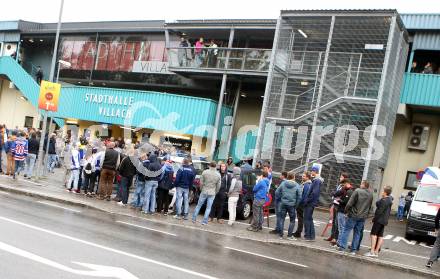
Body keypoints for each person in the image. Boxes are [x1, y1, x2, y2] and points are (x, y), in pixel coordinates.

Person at [337, 180, 373, 255]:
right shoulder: (370, 194)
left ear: (363, 185)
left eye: (361, 184)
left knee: (346, 230)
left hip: (353, 215)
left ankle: (342, 247)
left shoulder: (357, 191)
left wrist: (346, 211)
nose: (360, 185)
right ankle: (353, 250)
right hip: (362, 216)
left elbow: (350, 203)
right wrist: (366, 215)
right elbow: (369, 206)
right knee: (357, 233)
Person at [365, 186, 393, 257]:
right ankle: (376, 252)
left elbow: (379, 211)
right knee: (380, 236)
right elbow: (378, 204)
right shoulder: (389, 199)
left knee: (373, 234)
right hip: (384, 220)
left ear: (385, 192)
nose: (382, 192)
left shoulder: (384, 200)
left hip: (379, 220)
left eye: (383, 191)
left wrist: (373, 219)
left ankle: (372, 252)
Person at [276, 171, 302, 239]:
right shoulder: (297, 185)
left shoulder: (283, 183)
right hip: (292, 205)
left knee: (282, 219)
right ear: (293, 177)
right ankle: (289, 236)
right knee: (292, 220)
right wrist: (296, 205)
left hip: (283, 203)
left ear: (287, 177)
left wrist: (280, 199)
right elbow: (299, 196)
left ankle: (280, 235)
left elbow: (277, 192)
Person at [327, 172, 349, 242]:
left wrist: (334, 194)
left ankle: (336, 238)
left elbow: (337, 194)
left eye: (341, 177)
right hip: (335, 203)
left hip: (338, 205)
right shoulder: (340, 185)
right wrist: (334, 194)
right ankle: (332, 235)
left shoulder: (344, 187)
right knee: (334, 221)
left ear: (345, 178)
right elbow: (335, 193)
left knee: (337, 222)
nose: (340, 178)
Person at [303, 166, 322, 241]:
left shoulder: (316, 180)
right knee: (309, 219)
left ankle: (308, 236)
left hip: (310, 203)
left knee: (307, 219)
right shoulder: (316, 180)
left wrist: (307, 200)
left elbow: (314, 193)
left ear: (315, 171)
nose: (311, 172)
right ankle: (311, 236)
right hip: (311, 202)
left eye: (312, 171)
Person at [335, 180, 354, 246]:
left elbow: (346, 202)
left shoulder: (349, 192)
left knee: (341, 228)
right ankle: (340, 242)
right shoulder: (351, 191)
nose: (343, 186)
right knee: (342, 227)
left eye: (344, 184)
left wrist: (339, 200)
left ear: (347, 183)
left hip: (342, 211)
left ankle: (340, 243)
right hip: (345, 212)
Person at [293, 171, 312, 238]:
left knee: (300, 219)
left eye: (304, 176)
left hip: (301, 204)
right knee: (300, 218)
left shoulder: (307, 185)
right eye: (302, 176)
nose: (302, 177)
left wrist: (300, 203)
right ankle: (299, 232)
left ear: (307, 177)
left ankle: (299, 232)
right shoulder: (305, 183)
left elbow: (304, 196)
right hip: (301, 204)